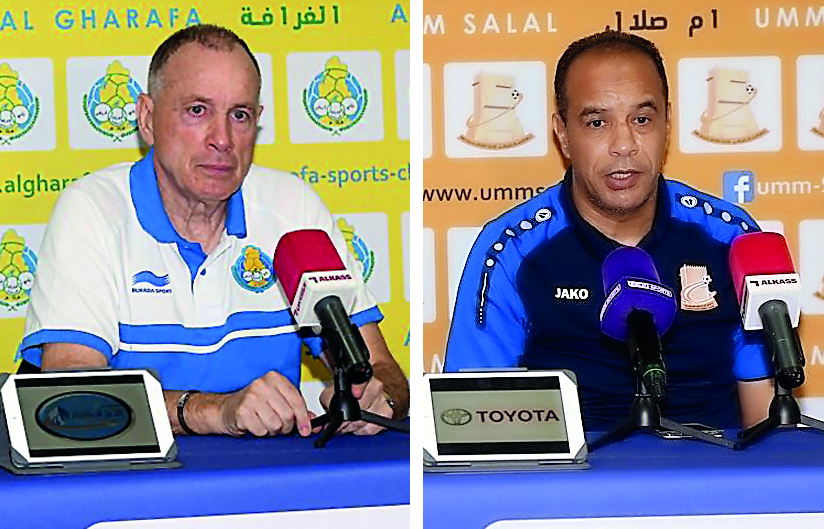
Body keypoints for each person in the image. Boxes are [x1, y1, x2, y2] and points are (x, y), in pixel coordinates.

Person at [18, 24, 408, 438]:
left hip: (275, 486)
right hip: (133, 489)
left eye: (239, 115)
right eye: (197, 111)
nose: (222, 139)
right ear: (147, 119)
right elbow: (73, 393)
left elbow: (384, 371)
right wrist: (216, 412)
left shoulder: (293, 208)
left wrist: (379, 398)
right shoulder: (93, 209)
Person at [444, 31, 773, 432]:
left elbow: (765, 424)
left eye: (642, 119)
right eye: (597, 122)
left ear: (667, 125)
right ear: (563, 134)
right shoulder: (510, 250)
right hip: (565, 488)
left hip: (716, 481)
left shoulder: (733, 239)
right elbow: (473, 425)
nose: (624, 144)